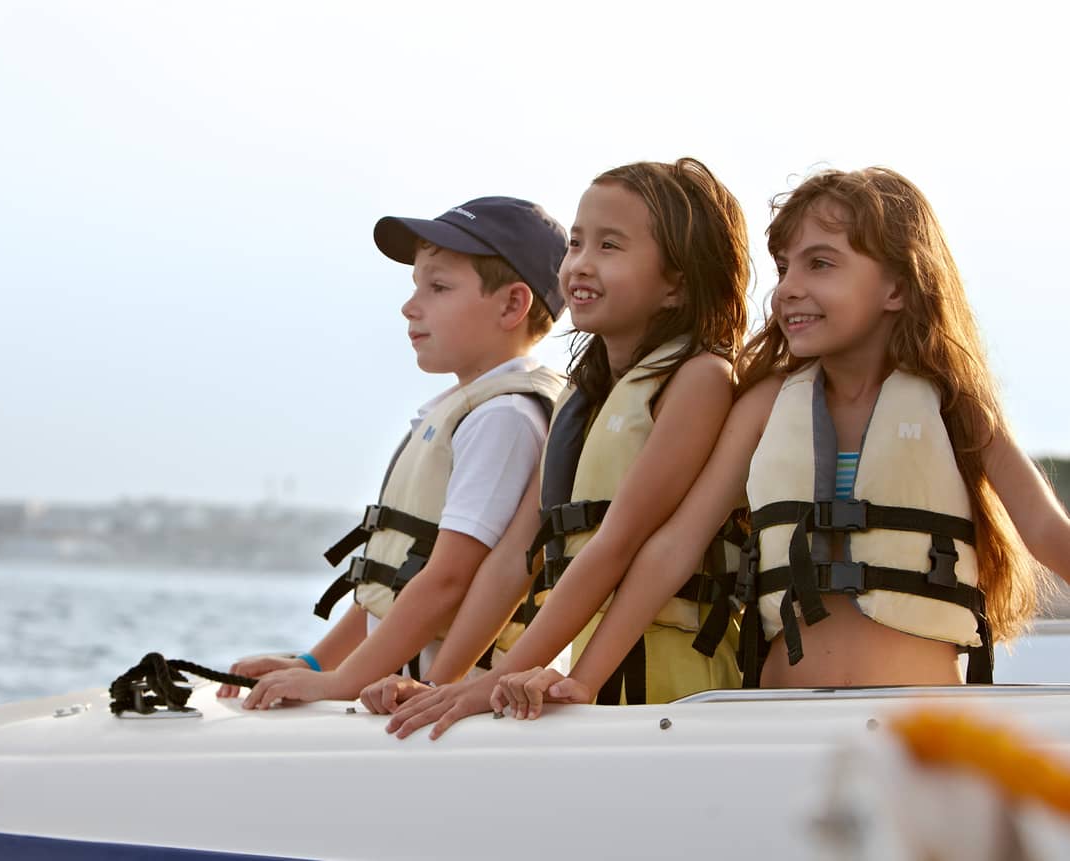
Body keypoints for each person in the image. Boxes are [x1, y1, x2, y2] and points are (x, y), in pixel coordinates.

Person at [466, 167, 1070, 726]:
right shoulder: (764, 404)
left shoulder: (954, 404)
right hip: (781, 717)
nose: (788, 290)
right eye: (784, 267)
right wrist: (586, 678)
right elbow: (673, 546)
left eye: (821, 265)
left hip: (918, 724)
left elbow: (1045, 533)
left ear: (898, 287)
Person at [379, 158, 752, 734]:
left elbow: (620, 540)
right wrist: (445, 686)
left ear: (676, 281)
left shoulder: (699, 378)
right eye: (576, 244)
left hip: (677, 688)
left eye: (610, 246)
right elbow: (516, 557)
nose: (580, 264)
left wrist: (524, 678)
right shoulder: (584, 393)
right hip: (593, 679)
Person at [214, 196, 568, 707]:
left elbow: (448, 579)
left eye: (439, 287)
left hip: (447, 703)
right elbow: (397, 585)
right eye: (416, 287)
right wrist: (316, 664)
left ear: (512, 306)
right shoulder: (465, 409)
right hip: (398, 690)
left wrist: (340, 684)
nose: (410, 306)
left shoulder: (503, 419)